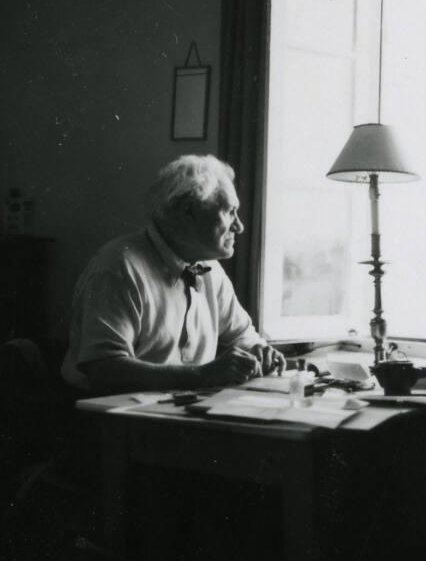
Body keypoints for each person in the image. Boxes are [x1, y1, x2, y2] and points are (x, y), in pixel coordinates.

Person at [61, 154, 285, 394]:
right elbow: (104, 370)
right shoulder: (118, 267)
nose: (239, 226)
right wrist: (202, 375)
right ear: (188, 211)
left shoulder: (211, 270)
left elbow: (242, 336)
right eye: (230, 212)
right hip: (107, 410)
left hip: (178, 409)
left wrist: (258, 351)